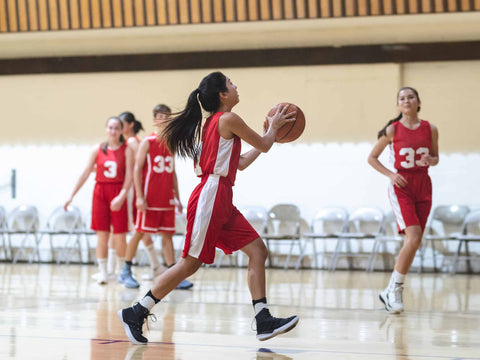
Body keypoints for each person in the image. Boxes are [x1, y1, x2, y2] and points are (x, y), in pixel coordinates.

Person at [118, 71, 299, 344]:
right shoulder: (228, 118)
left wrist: (268, 135)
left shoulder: (214, 123)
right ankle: (136, 311)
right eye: (231, 83)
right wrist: (273, 129)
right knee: (190, 264)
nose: (236, 86)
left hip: (221, 195)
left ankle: (263, 319)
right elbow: (263, 145)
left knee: (258, 250)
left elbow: (240, 162)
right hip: (210, 196)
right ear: (222, 95)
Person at [368, 87, 439, 314]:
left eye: (410, 97)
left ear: (418, 101)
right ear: (398, 105)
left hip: (424, 185)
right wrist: (390, 174)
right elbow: (371, 158)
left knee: (414, 241)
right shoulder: (392, 129)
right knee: (414, 236)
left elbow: (436, 158)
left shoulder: (431, 128)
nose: (406, 100)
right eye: (402, 98)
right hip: (402, 186)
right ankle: (396, 289)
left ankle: (389, 289)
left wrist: (431, 159)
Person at [119, 104, 193, 290]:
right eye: (160, 117)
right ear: (154, 120)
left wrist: (177, 197)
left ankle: (172, 276)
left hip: (166, 197)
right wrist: (139, 197)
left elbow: (173, 172)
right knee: (140, 232)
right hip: (149, 198)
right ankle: (125, 270)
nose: (164, 120)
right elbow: (137, 169)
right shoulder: (148, 141)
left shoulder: (172, 142)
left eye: (167, 117)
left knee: (167, 236)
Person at [65, 116, 133, 284]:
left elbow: (130, 176)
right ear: (106, 129)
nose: (113, 131)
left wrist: (122, 196)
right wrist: (71, 195)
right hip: (100, 192)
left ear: (121, 130)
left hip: (118, 192)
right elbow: (86, 172)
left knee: (119, 236)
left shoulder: (127, 150)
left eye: (116, 128)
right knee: (102, 235)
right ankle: (103, 272)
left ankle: (119, 271)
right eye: (110, 127)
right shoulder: (97, 149)